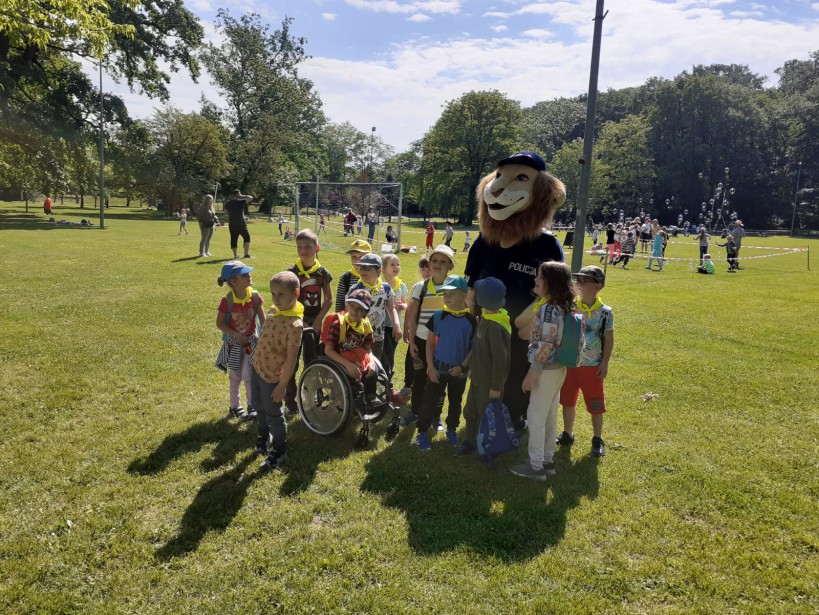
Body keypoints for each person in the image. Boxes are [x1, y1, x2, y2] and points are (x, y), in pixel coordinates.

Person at [510, 261, 575, 480]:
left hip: (545, 369)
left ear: (552, 282)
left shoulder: (548, 309)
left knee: (535, 416)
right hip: (558, 369)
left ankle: (535, 466)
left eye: (540, 277)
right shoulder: (563, 306)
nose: (535, 280)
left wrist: (533, 372)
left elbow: (546, 344)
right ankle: (547, 460)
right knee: (548, 415)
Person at [413, 275, 477, 450]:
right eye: (444, 294)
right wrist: (430, 367)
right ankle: (422, 432)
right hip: (438, 369)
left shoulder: (472, 321)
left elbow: (473, 348)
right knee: (430, 400)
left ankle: (451, 429)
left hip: (459, 371)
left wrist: (463, 367)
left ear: (464, 294)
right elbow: (429, 344)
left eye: (452, 294)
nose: (447, 298)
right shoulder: (438, 316)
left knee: (455, 401)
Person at [557, 266, 614, 458]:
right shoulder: (570, 306)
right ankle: (567, 434)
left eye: (585, 281)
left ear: (598, 286)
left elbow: (608, 339)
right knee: (567, 401)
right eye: (578, 280)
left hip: (592, 367)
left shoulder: (605, 312)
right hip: (570, 364)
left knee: (595, 403)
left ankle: (597, 439)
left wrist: (604, 363)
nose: (579, 284)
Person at [252, 271, 304, 472]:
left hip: (272, 378)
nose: (276, 299)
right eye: (273, 294)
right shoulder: (274, 309)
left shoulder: (295, 325)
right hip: (257, 368)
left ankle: (279, 449)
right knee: (258, 405)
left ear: (296, 293)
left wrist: (282, 385)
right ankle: (264, 435)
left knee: (273, 413)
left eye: (281, 294)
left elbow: (291, 360)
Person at [402, 245, 456, 427]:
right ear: (429, 263)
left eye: (443, 261)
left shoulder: (454, 287)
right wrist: (411, 341)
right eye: (434, 260)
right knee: (419, 379)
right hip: (421, 340)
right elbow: (412, 316)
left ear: (450, 266)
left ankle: (435, 416)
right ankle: (415, 411)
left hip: (443, 343)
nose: (437, 264)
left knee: (439, 380)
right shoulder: (421, 287)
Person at [457, 277, 511, 456]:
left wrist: (496, 386)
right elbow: (479, 348)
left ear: (480, 300)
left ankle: (490, 447)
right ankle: (470, 441)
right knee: (470, 411)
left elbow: (500, 360)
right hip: (477, 377)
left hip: (489, 383)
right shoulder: (485, 318)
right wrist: (472, 367)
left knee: (487, 415)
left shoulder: (495, 326)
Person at [285, 229, 334, 412]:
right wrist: (301, 321)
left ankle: (314, 398)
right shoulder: (291, 272)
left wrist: (318, 321)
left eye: (307, 247)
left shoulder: (323, 273)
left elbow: (329, 299)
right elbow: (288, 300)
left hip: (314, 326)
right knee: (292, 362)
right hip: (295, 324)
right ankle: (290, 402)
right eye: (299, 247)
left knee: (312, 362)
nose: (303, 250)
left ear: (317, 248)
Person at [215, 260, 266, 420]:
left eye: (248, 273)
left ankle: (252, 405)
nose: (249, 276)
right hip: (234, 345)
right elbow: (220, 323)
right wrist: (237, 335)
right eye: (244, 275)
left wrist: (264, 337)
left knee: (249, 374)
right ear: (233, 282)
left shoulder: (255, 297)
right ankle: (235, 406)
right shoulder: (227, 300)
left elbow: (263, 320)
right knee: (236, 376)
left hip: (251, 343)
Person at [321, 289, 378, 401]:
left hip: (356, 358)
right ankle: (355, 399)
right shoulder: (338, 324)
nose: (354, 311)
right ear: (347, 306)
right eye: (352, 306)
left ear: (365, 312)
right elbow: (328, 350)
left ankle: (370, 398)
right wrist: (347, 364)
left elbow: (368, 349)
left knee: (373, 370)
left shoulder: (366, 326)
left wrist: (371, 362)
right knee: (353, 375)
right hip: (339, 358)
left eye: (359, 309)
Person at [348, 253, 401, 365]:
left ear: (378, 271)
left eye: (367, 268)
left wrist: (396, 325)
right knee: (358, 364)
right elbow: (347, 312)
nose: (363, 270)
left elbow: (391, 308)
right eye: (361, 267)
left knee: (374, 363)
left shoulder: (386, 288)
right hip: (357, 336)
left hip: (378, 336)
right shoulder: (356, 289)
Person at [400, 256, 431, 398]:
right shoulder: (418, 286)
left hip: (430, 333)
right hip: (416, 331)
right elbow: (410, 310)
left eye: (428, 269)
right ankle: (408, 385)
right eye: (423, 269)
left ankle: (424, 387)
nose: (426, 272)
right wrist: (406, 329)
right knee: (411, 358)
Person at [382, 253, 408, 386]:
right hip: (382, 326)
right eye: (392, 265)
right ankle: (385, 379)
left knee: (390, 352)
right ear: (383, 269)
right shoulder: (380, 286)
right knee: (384, 353)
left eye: (398, 264)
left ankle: (388, 380)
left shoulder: (401, 286)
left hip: (395, 327)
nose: (396, 267)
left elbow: (405, 304)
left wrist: (402, 306)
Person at [335, 239, 371, 312]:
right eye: (353, 256)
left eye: (361, 257)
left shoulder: (375, 277)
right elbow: (339, 304)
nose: (357, 260)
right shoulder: (346, 278)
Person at [225, 189, 254, 259]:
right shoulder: (241, 201)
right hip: (241, 223)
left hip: (232, 223)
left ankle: (235, 255)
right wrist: (241, 196)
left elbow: (225, 212)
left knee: (233, 238)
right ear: (238, 194)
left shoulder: (228, 203)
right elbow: (251, 197)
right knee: (246, 237)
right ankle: (246, 254)